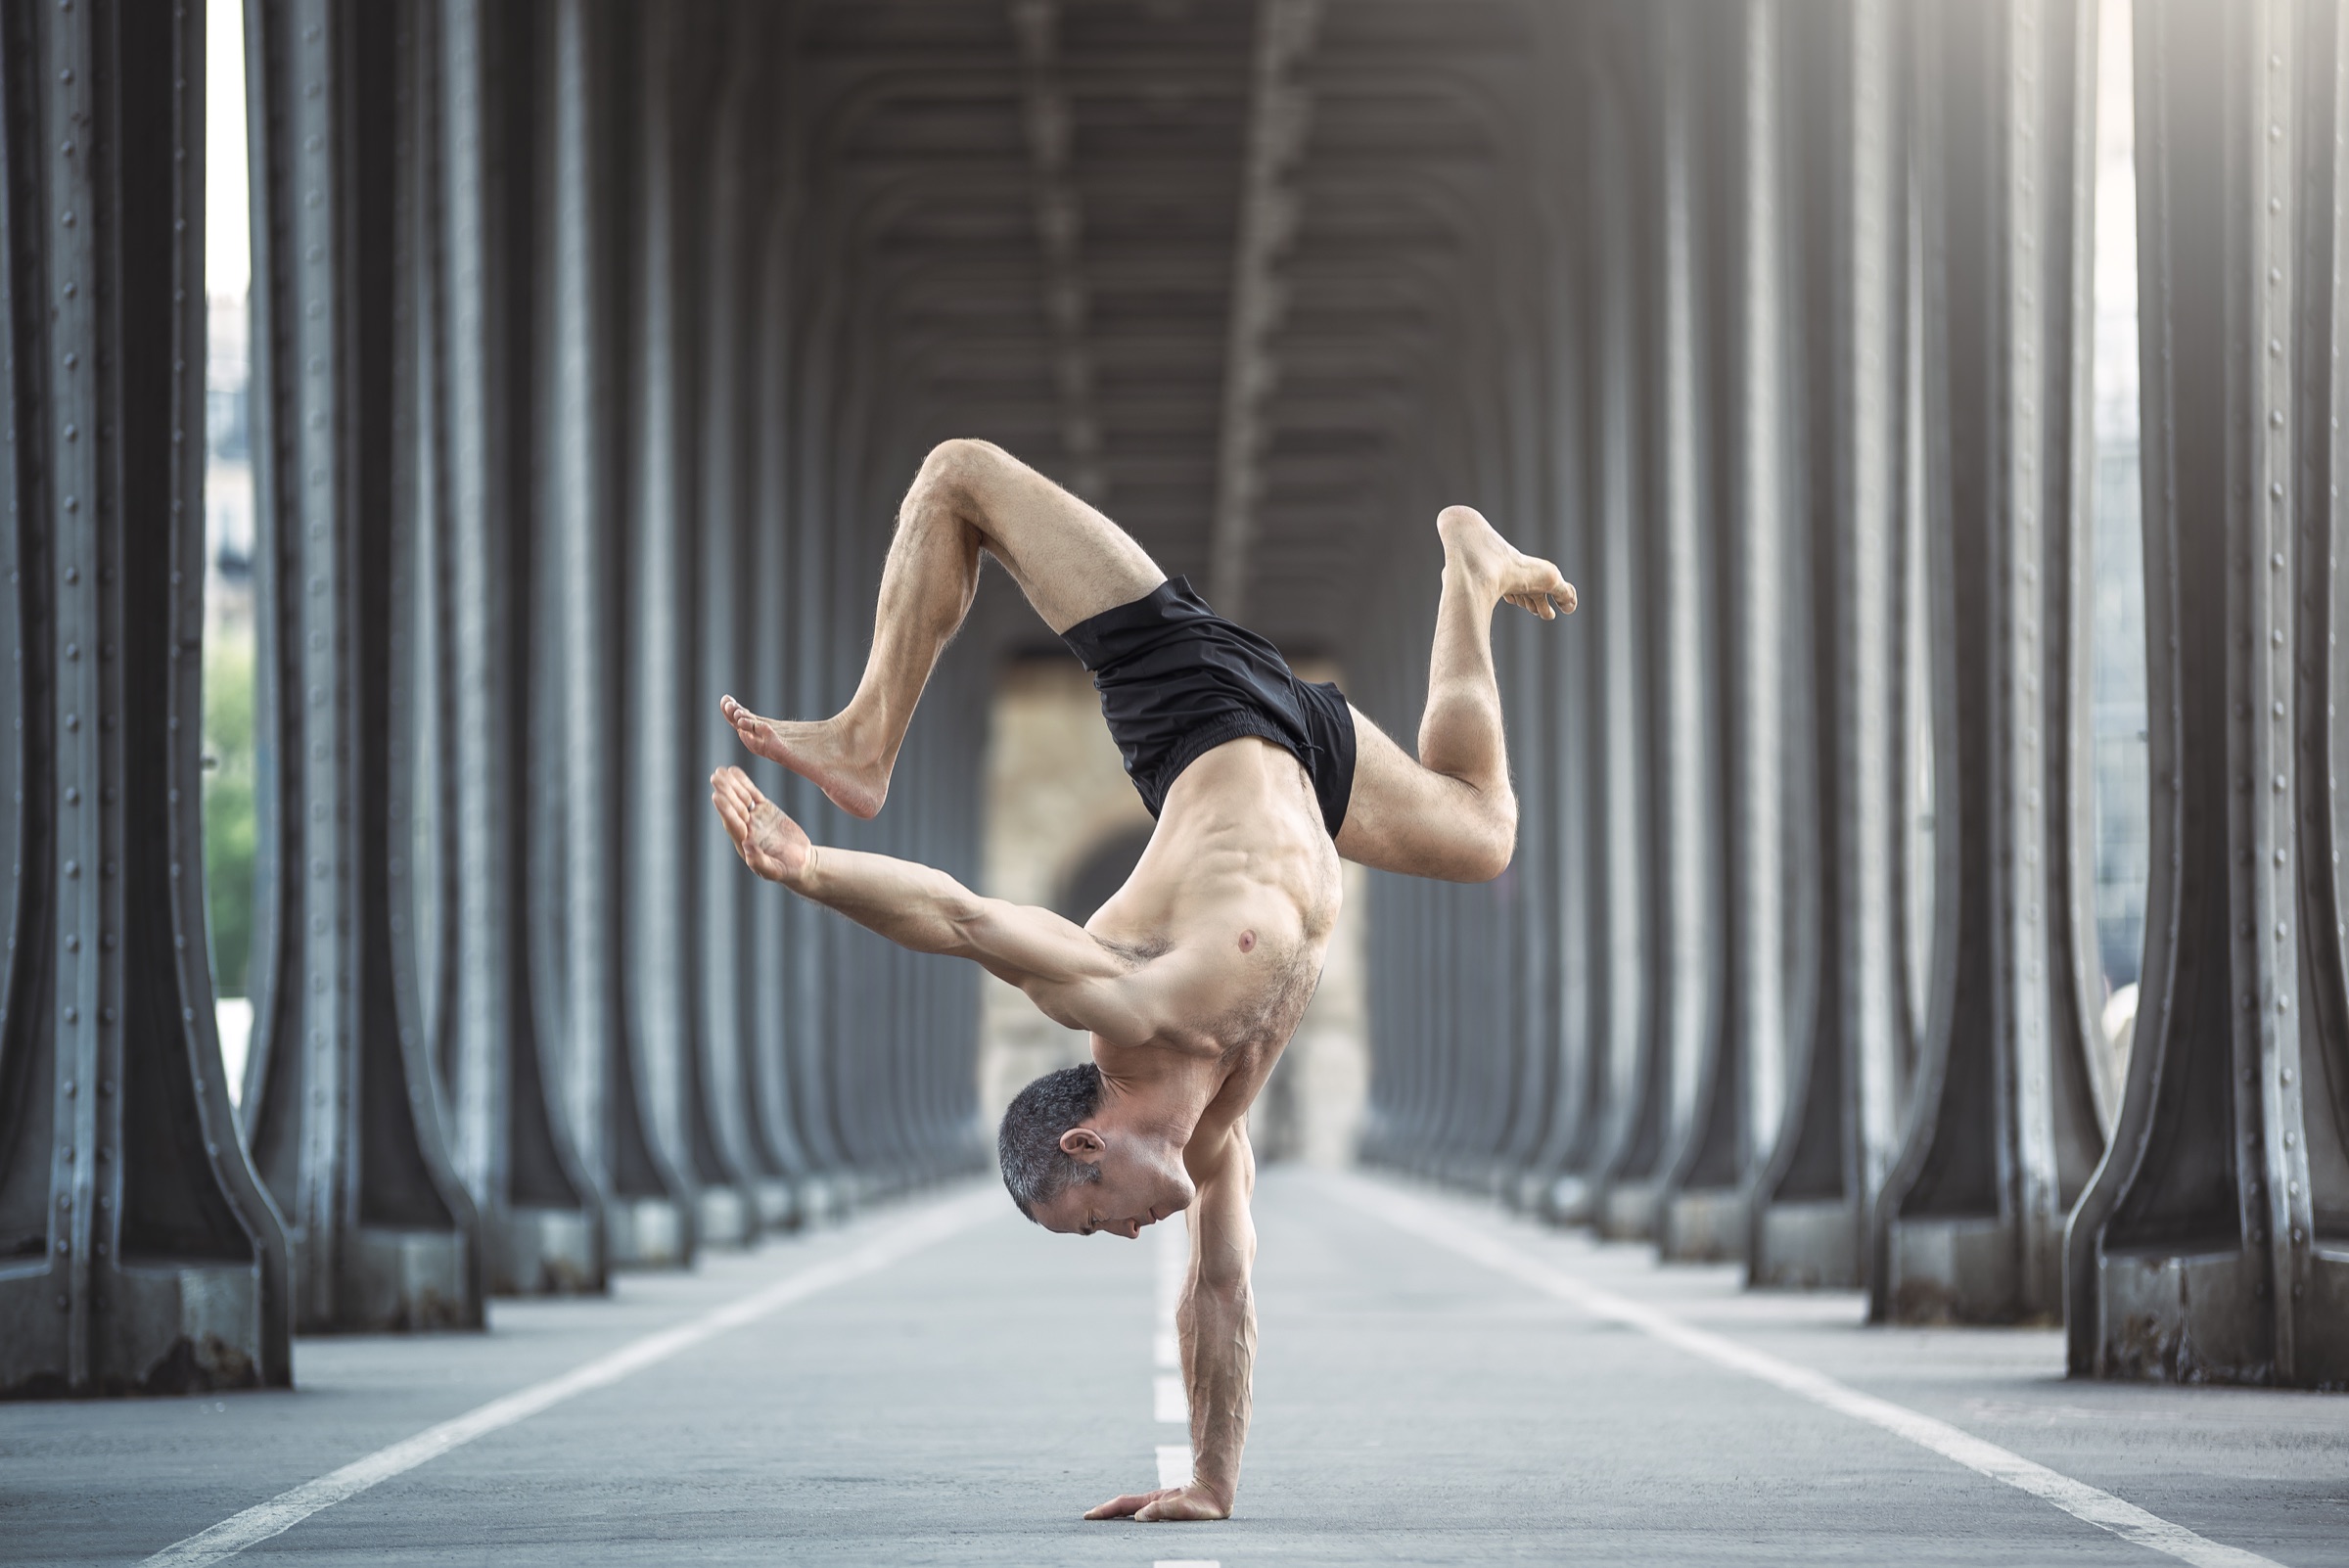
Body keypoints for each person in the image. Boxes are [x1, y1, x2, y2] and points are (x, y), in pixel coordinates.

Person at [709, 438, 1573, 1523]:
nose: (1123, 1238)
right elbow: (1220, 1296)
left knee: (961, 474)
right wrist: (1211, 1482)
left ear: (1088, 1142)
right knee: (1486, 830)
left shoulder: (1126, 1003)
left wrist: (810, 867)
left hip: (1197, 705)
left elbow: (968, 919)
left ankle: (864, 742)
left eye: (1094, 1220)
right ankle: (1468, 566)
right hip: (1313, 760)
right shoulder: (1212, 1131)